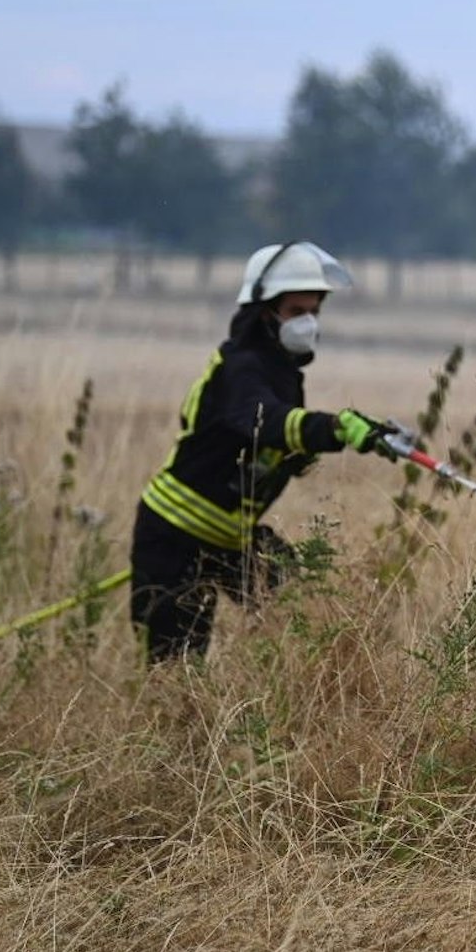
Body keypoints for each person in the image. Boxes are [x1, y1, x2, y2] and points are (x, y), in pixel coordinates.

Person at [130, 241, 388, 662]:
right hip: (175, 535)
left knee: (304, 607)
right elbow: (267, 422)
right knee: (176, 666)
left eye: (314, 312)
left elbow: (277, 446)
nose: (307, 323)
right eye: (296, 311)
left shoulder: (283, 374)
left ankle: (302, 690)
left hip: (231, 538)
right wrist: (334, 428)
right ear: (263, 312)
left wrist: (321, 448)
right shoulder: (241, 366)